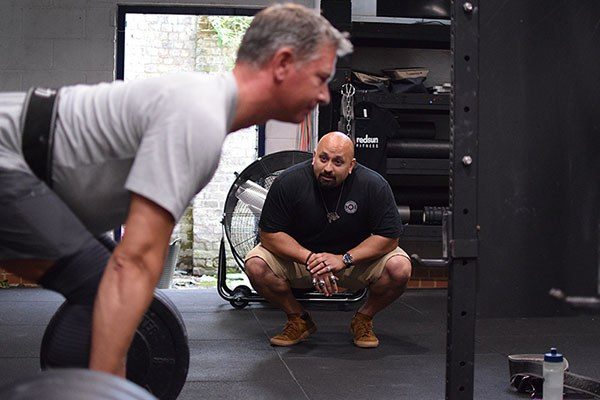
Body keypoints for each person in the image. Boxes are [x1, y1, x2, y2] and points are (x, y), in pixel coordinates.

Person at [0, 3, 352, 376]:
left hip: (25, 170)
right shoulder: (198, 117)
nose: (324, 96)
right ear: (282, 64)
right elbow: (134, 262)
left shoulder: (205, 114)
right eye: (319, 77)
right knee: (101, 285)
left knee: (105, 285)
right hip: (9, 159)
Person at [244, 131, 412, 348]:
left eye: (338, 162)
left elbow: (389, 238)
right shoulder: (288, 182)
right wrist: (310, 258)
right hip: (302, 261)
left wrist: (344, 259)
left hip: (354, 262)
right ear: (314, 156)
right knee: (255, 265)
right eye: (323, 159)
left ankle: (363, 318)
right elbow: (269, 234)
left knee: (400, 268)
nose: (328, 168)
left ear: (351, 165)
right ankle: (298, 319)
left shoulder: (373, 185)